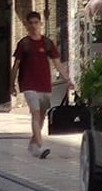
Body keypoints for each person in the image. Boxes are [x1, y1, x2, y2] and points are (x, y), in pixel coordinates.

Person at [13, 11, 66, 158]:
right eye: (31, 23)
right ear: (27, 25)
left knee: (42, 116)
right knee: (35, 114)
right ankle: (41, 146)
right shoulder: (24, 44)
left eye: (36, 22)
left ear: (40, 24)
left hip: (44, 84)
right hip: (28, 84)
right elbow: (16, 65)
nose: (34, 26)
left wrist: (67, 79)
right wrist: (12, 84)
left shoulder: (47, 43)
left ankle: (33, 144)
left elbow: (57, 63)